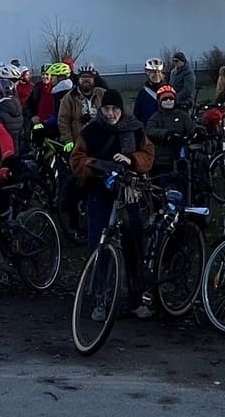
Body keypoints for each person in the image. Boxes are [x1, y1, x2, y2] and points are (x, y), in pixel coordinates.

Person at [71, 86, 155, 315]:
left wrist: (131, 159)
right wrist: (94, 165)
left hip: (128, 195)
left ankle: (137, 299)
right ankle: (100, 298)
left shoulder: (135, 129)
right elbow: (76, 159)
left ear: (121, 109)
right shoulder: (90, 132)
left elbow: (148, 155)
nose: (110, 113)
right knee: (99, 247)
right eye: (106, 108)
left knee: (134, 246)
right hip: (99, 194)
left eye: (114, 109)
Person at [59, 64, 106, 148]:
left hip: (102, 139)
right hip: (80, 140)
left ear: (94, 79)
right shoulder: (69, 97)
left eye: (89, 78)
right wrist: (68, 140)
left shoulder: (102, 93)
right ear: (78, 79)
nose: (86, 81)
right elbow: (63, 120)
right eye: (83, 78)